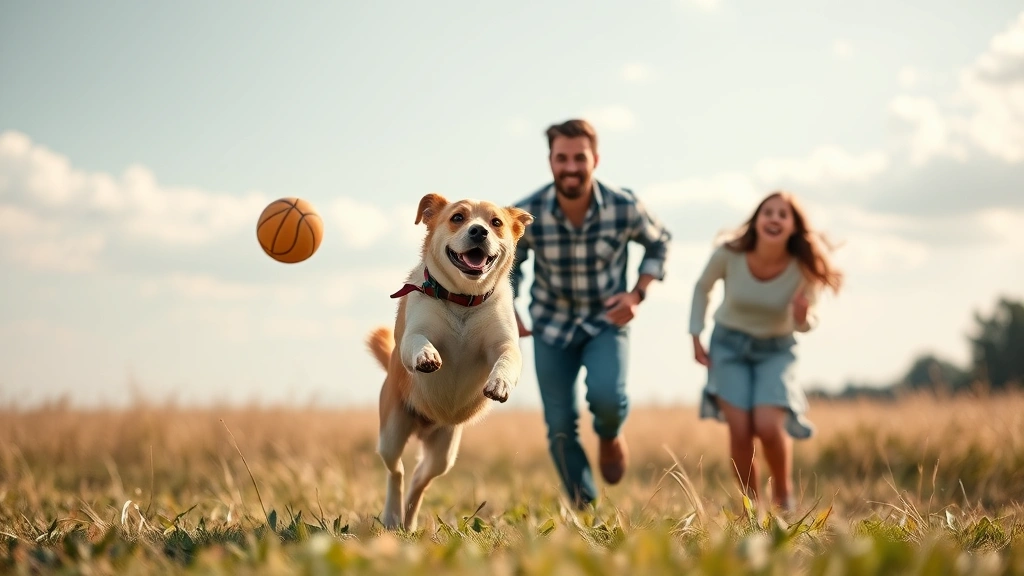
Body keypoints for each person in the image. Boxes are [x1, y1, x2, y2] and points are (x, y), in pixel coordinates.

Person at [510, 118, 672, 509]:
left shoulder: (624, 206)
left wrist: (636, 294)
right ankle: (587, 510)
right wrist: (509, 308)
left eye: (579, 158)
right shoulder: (526, 213)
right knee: (560, 426)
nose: (570, 167)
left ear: (595, 159)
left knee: (607, 399)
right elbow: (509, 263)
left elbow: (659, 243)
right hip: (550, 325)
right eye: (561, 158)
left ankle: (611, 436)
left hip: (606, 323)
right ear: (550, 161)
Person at [688, 190, 843, 512]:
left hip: (775, 350)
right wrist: (696, 334)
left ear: (792, 227)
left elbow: (807, 321)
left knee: (768, 425)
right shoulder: (729, 254)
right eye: (767, 212)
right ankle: (752, 508)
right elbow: (703, 287)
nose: (774, 218)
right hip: (728, 346)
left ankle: (783, 495)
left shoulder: (803, 267)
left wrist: (802, 316)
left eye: (782, 215)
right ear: (757, 221)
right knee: (741, 430)